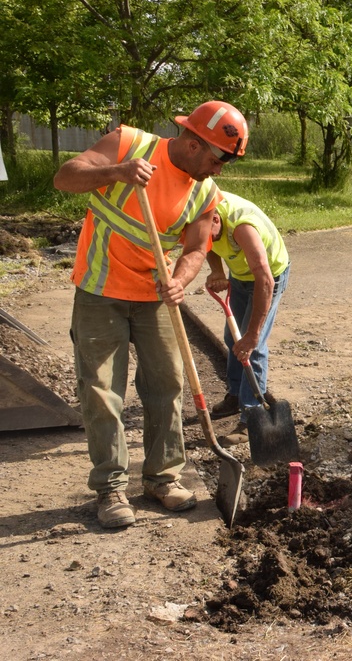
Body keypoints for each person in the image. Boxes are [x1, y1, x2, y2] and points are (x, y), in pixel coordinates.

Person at [53, 101, 249, 529]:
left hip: (155, 297)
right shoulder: (129, 143)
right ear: (195, 144)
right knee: (102, 390)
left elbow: (198, 248)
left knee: (167, 385)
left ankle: (162, 478)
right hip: (99, 290)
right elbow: (65, 177)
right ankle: (110, 489)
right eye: (218, 160)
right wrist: (116, 172)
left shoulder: (204, 191)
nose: (219, 171)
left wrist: (180, 278)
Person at [205, 191, 290, 446]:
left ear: (217, 220)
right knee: (232, 337)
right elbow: (206, 245)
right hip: (240, 275)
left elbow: (264, 279)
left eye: (207, 234)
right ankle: (235, 395)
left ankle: (251, 416)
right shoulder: (199, 216)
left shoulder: (243, 227)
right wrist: (218, 270)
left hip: (268, 276)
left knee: (252, 347)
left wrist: (253, 335)